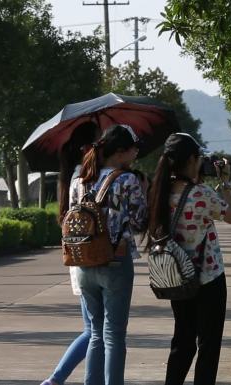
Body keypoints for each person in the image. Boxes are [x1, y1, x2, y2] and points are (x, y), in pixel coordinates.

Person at [146, 133, 231, 385]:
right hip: (208, 278)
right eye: (198, 158)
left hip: (178, 278)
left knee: (183, 342)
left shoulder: (159, 194)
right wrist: (225, 183)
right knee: (208, 346)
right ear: (190, 160)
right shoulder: (201, 194)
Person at [72, 124, 147, 385]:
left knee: (95, 334)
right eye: (133, 148)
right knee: (114, 335)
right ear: (120, 152)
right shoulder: (128, 180)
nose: (136, 152)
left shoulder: (80, 181)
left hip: (83, 263)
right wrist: (144, 189)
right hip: (115, 261)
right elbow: (139, 222)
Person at [41, 122, 98, 385]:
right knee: (96, 331)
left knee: (94, 329)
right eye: (98, 143)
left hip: (78, 258)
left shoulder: (72, 177)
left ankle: (57, 380)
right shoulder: (84, 179)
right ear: (88, 147)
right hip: (89, 258)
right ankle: (55, 379)